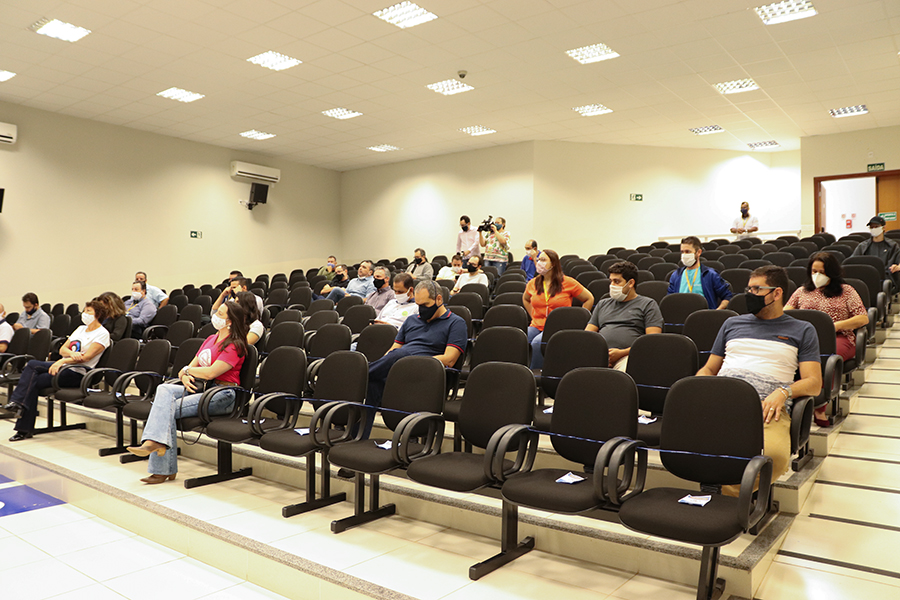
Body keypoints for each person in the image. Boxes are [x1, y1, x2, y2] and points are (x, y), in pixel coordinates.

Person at [698, 266, 822, 495]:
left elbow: (814, 383)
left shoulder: (802, 330)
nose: (750, 294)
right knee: (686, 443)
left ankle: (725, 496)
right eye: (749, 289)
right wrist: (700, 385)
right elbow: (709, 368)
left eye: (757, 289)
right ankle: (720, 496)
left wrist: (783, 392)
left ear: (777, 293)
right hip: (721, 402)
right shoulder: (732, 324)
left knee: (774, 457)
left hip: (767, 408)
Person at [126, 302, 249, 483]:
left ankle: (160, 463)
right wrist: (184, 375)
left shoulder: (235, 345)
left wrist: (187, 371)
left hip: (223, 395)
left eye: (221, 314)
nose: (215, 315)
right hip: (203, 389)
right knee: (163, 389)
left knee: (165, 408)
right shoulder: (211, 339)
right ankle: (156, 446)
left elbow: (210, 372)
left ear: (230, 322)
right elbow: (187, 368)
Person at [362, 280, 466, 438]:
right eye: (418, 305)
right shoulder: (411, 320)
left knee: (398, 356)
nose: (421, 309)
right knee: (372, 383)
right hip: (400, 367)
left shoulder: (456, 323)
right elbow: (392, 350)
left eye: (425, 305)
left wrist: (413, 362)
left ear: (439, 299)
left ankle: (359, 374)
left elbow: (450, 359)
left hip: (426, 372)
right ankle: (357, 437)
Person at [5, 299, 112, 441]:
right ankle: (22, 421)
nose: (84, 313)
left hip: (79, 373)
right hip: (64, 368)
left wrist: (63, 360)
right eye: (84, 310)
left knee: (32, 371)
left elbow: (86, 357)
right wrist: (70, 354)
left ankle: (20, 412)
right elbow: (62, 349)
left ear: (98, 314)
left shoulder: (102, 334)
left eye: (88, 311)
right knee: (32, 378)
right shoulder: (80, 329)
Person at [785, 252, 867, 426]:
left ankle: (819, 406)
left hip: (839, 337)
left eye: (821, 272)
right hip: (806, 339)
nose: (817, 276)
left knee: (824, 358)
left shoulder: (846, 291)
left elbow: (862, 318)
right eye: (814, 271)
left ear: (831, 272)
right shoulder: (802, 291)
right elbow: (786, 313)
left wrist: (836, 326)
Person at [585, 261, 663, 371]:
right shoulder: (603, 304)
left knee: (621, 373)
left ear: (630, 283)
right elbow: (588, 336)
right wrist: (601, 354)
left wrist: (621, 353)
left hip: (629, 356)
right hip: (599, 355)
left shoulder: (648, 304)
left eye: (617, 281)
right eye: (611, 281)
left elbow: (651, 341)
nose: (612, 285)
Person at [523, 249, 594, 369]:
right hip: (537, 325)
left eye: (543, 260)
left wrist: (579, 319)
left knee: (537, 343)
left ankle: (536, 374)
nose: (539, 263)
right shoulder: (533, 283)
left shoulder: (568, 282)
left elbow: (589, 298)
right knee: (522, 339)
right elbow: (525, 299)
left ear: (553, 264)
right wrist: (533, 315)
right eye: (538, 259)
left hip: (558, 326)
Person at [667, 236, 733, 309]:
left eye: (688, 252)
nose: (684, 255)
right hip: (681, 313)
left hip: (704, 314)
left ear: (698, 252)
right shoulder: (676, 275)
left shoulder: (710, 274)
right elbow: (670, 300)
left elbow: (727, 296)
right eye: (682, 252)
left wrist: (716, 312)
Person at [851, 216, 900, 290]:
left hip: (886, 278)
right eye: (872, 227)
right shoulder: (863, 246)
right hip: (866, 279)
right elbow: (852, 261)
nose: (874, 229)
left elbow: (898, 261)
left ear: (883, 227)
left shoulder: (892, 246)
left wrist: (897, 267)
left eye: (876, 226)